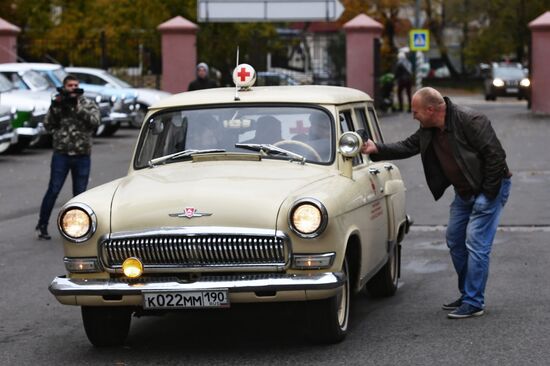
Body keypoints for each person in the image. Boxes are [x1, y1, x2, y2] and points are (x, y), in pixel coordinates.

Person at [361, 87, 512, 319]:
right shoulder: (428, 128)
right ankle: (468, 294)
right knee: (454, 240)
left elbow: (496, 157)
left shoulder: (471, 120)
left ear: (431, 110)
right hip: (464, 192)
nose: (413, 116)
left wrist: (487, 196)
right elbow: (408, 146)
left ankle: (474, 302)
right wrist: (376, 149)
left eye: (415, 111)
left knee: (476, 243)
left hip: (489, 189)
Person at [36, 75, 100, 240]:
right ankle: (42, 225)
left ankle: (79, 229)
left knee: (80, 195)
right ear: (64, 87)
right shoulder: (59, 102)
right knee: (53, 190)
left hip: (82, 155)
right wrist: (55, 107)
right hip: (62, 154)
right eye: (70, 85)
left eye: (76, 85)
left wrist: (78, 108)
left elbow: (95, 122)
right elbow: (48, 124)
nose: (73, 87)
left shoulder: (86, 103)